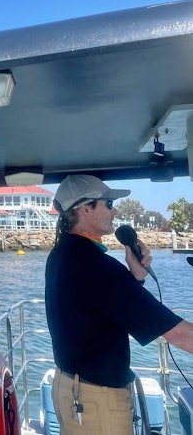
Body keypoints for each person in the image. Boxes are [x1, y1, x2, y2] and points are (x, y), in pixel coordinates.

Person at [45, 174, 193, 435]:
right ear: (85, 208)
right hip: (95, 403)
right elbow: (178, 333)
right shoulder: (98, 267)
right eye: (109, 204)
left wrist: (134, 277)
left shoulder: (62, 254)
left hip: (71, 389)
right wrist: (129, 278)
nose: (116, 212)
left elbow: (100, 309)